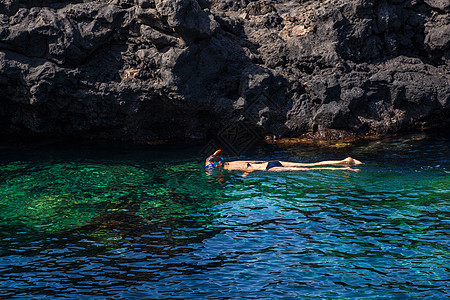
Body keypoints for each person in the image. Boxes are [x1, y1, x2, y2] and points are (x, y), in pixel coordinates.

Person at [205, 149, 363, 175]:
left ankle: (345, 170)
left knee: (309, 171)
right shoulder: (234, 161)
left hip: (269, 169)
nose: (209, 168)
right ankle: (345, 161)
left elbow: (250, 169)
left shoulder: (229, 169)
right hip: (273, 161)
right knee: (311, 165)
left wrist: (246, 175)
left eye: (210, 165)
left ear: (218, 164)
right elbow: (252, 161)